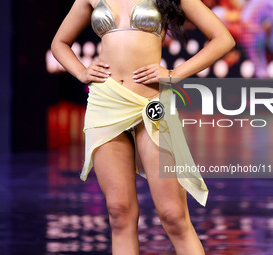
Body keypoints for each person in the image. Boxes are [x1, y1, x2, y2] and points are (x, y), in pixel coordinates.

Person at [51, 0, 235, 254]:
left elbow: (223, 38)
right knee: (119, 212)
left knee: (173, 215)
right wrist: (81, 72)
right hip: (106, 102)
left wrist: (174, 74)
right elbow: (59, 43)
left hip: (152, 102)